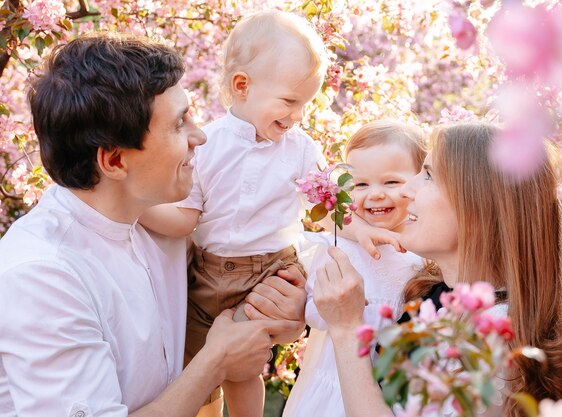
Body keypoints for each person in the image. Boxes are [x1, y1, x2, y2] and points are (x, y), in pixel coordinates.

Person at [0, 33, 304, 417]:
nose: (201, 136)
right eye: (179, 124)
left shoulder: (164, 216)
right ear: (113, 161)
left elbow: (243, 276)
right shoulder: (42, 277)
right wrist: (216, 361)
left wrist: (287, 306)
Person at [311, 123, 562, 417]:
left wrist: (347, 331)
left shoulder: (495, 347)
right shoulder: (434, 295)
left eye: (428, 176)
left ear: (476, 205)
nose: (407, 189)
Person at [138, 10, 330, 417]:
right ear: (242, 86)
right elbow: (185, 219)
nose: (298, 116)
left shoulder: (301, 150)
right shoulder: (208, 145)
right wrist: (139, 208)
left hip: (268, 271)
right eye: (290, 101)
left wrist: (354, 225)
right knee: (197, 364)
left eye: (306, 104)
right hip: (207, 274)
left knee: (242, 366)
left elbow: (324, 209)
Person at [283, 120, 427, 417]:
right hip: (331, 383)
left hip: (385, 392)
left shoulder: (422, 254)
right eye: (361, 185)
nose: (374, 194)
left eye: (391, 182)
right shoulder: (341, 249)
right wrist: (346, 312)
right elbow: (313, 312)